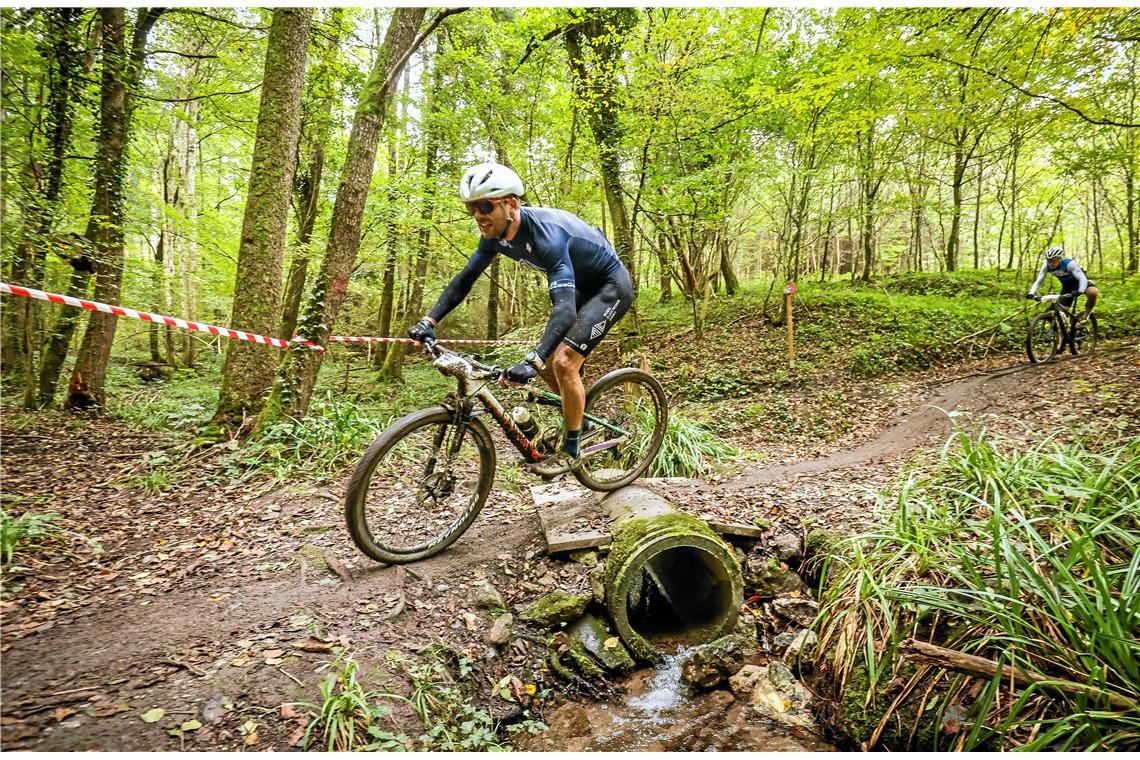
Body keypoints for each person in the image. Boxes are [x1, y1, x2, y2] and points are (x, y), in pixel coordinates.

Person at [407, 162, 634, 479]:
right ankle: (583, 420)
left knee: (563, 362)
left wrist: (532, 359)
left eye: (484, 206)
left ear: (510, 204)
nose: (477, 215)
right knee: (548, 362)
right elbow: (465, 278)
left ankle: (571, 450)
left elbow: (565, 309)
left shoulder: (548, 237)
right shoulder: (493, 235)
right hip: (582, 286)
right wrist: (429, 320)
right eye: (471, 208)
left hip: (610, 286)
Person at [1026, 245, 1098, 319]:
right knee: (1062, 311)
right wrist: (1031, 293)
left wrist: (1080, 290)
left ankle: (1086, 315)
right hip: (1067, 287)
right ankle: (1066, 328)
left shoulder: (1069, 264)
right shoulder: (1046, 266)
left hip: (1080, 283)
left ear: (1060, 259)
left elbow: (1082, 278)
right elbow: (1038, 281)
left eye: (1053, 260)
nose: (1051, 263)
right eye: (1049, 260)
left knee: (1093, 292)